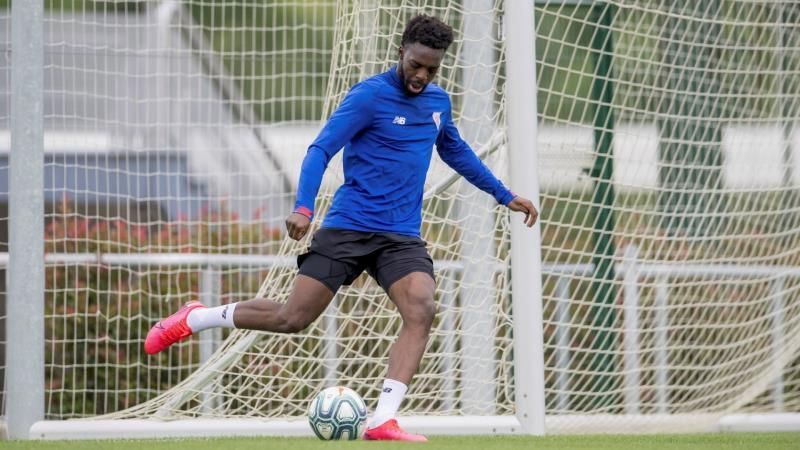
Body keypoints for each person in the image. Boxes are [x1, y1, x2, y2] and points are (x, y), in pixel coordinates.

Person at [145, 14, 538, 442]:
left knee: (422, 307)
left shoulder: (438, 104)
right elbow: (321, 149)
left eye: (431, 69)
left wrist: (503, 194)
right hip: (349, 226)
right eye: (415, 65)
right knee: (293, 318)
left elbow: (457, 152)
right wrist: (303, 207)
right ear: (400, 52)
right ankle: (199, 317)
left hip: (400, 235)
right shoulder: (369, 97)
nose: (421, 76)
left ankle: (383, 420)